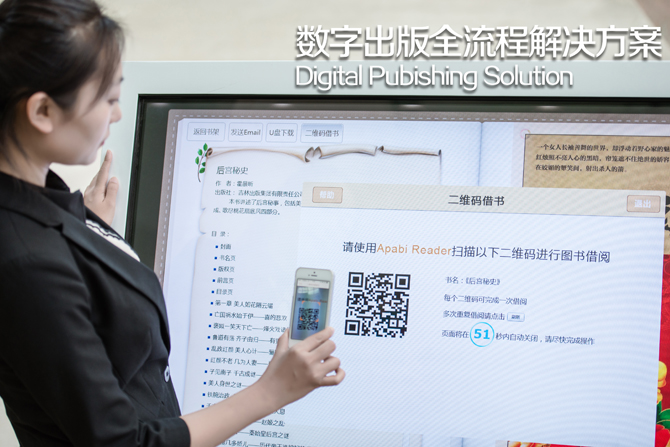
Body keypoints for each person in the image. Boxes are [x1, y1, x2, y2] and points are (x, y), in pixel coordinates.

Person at [0, 1, 345, 446]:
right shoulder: (27, 262)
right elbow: (123, 442)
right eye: (108, 99)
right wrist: (271, 392)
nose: (117, 114)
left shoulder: (41, 204)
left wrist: (88, 234)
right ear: (42, 112)